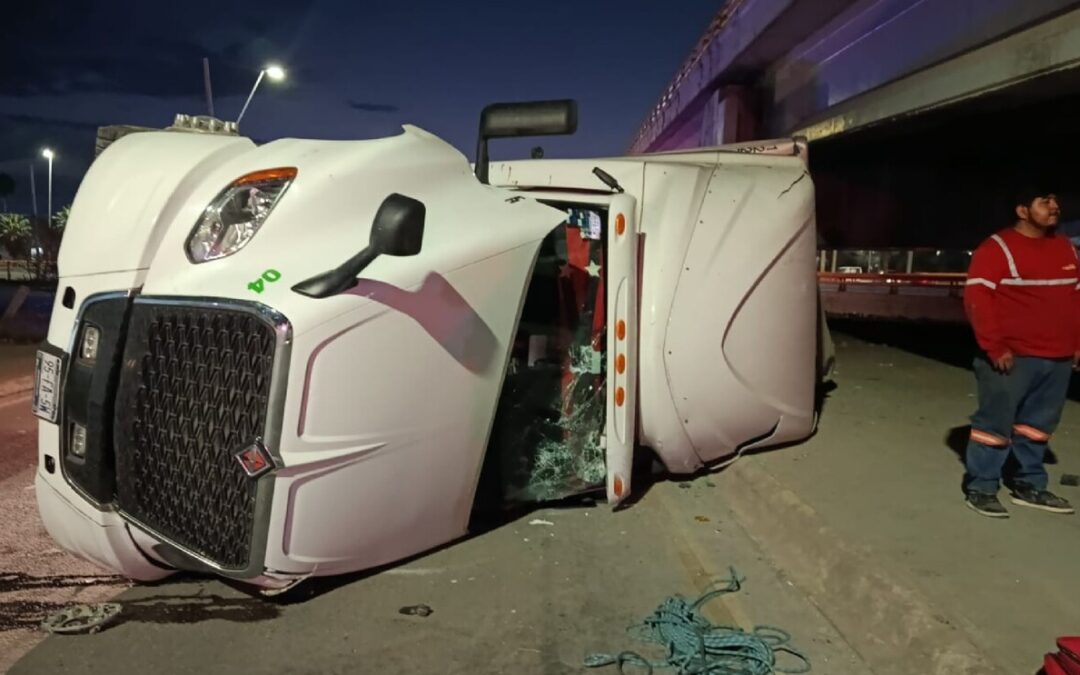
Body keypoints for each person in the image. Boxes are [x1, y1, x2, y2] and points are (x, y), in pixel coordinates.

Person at [962, 188, 1077, 517]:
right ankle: (982, 487)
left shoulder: (1065, 247)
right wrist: (994, 347)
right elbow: (978, 303)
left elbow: (1075, 298)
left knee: (1038, 425)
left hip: (1058, 358)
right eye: (1045, 201)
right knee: (994, 423)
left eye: (1056, 200)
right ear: (1023, 210)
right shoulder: (997, 249)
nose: (1055, 207)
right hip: (1012, 357)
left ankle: (1029, 484)